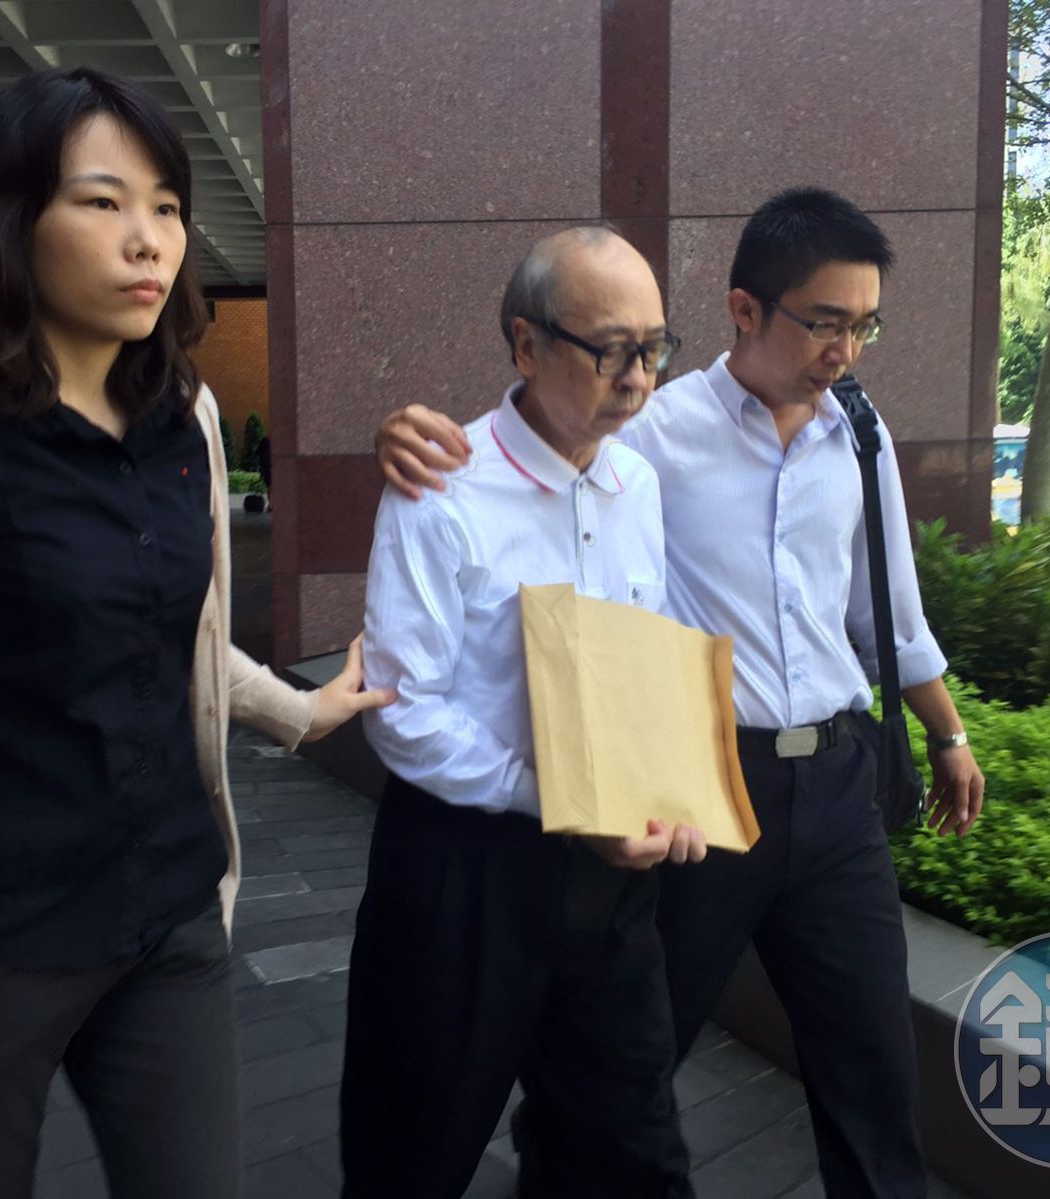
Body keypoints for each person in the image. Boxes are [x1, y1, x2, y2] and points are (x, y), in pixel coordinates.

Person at [0, 67, 392, 1199]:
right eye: (101, 201)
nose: (148, 240)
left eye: (166, 207)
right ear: (12, 218)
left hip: (168, 918)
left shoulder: (188, 415)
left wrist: (300, 706)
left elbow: (179, 634)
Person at [374, 188, 987, 1198]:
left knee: (868, 1066)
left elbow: (889, 611)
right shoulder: (652, 432)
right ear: (747, 309)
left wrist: (948, 736)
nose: (844, 350)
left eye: (863, 325)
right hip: (699, 787)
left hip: (825, 787)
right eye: (824, 322)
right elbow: (537, 439)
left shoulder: (854, 432)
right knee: (608, 1069)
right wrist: (410, 431)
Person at [343, 227, 706, 1199]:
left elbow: (635, 661)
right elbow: (399, 710)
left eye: (655, 347)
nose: (638, 377)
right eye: (611, 350)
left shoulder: (636, 483)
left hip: (610, 887)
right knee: (410, 1156)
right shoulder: (441, 487)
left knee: (634, 1158)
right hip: (464, 875)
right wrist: (561, 796)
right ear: (525, 343)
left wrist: (663, 788)